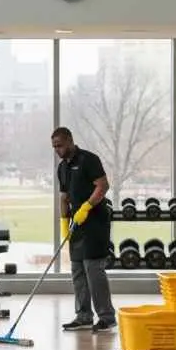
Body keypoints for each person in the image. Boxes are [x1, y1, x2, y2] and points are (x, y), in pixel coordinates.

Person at [51, 127, 116, 333]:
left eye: (60, 145)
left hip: (95, 223)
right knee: (77, 269)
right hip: (76, 225)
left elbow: (103, 186)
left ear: (70, 141)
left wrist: (87, 206)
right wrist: (64, 222)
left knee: (93, 269)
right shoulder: (62, 168)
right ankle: (84, 315)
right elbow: (64, 197)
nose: (57, 150)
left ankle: (107, 317)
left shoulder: (89, 160)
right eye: (54, 147)